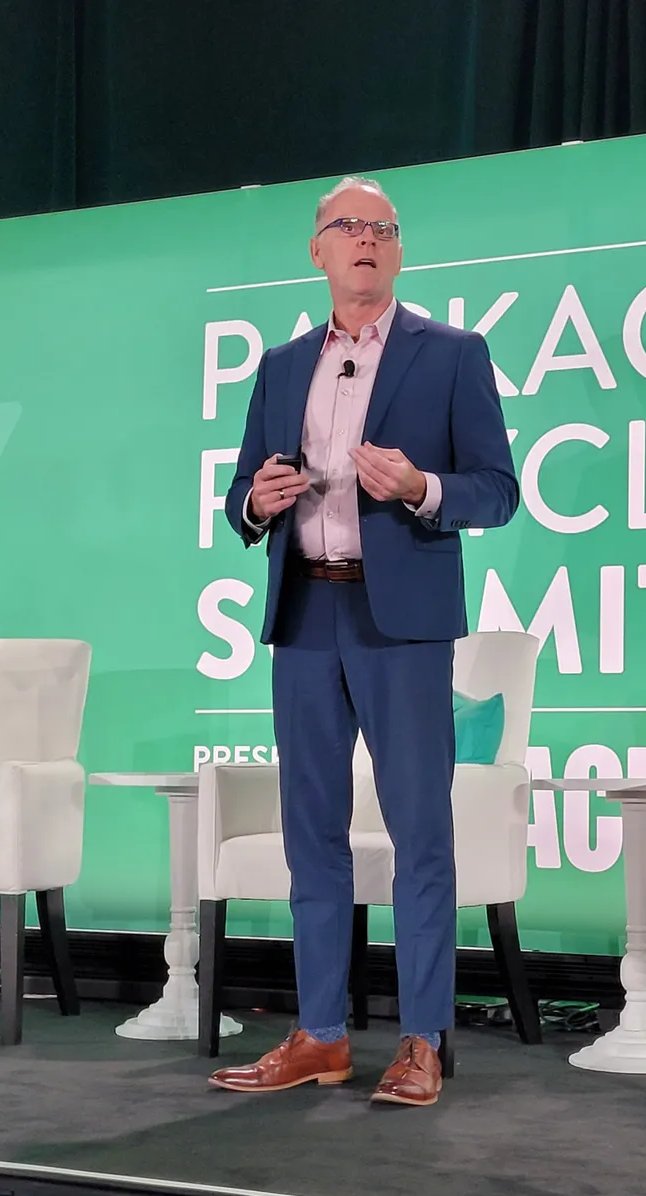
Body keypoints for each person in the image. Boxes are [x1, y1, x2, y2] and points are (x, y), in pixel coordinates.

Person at [211, 177, 519, 1107]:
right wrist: (253, 507)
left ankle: (423, 1038)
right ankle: (321, 1034)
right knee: (314, 836)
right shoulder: (278, 365)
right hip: (306, 615)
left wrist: (423, 487)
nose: (368, 241)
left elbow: (497, 490)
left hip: (403, 627)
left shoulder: (453, 355)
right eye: (349, 228)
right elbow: (241, 493)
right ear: (318, 251)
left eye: (384, 230)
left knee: (422, 831)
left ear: (398, 252)